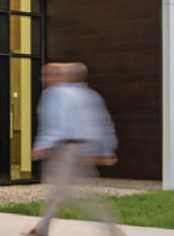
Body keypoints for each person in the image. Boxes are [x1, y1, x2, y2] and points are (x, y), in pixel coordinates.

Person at [25, 61, 126, 236]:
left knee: (77, 195)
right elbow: (103, 124)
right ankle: (42, 228)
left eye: (47, 75)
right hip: (83, 149)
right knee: (64, 192)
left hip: (65, 150)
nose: (44, 79)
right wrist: (106, 150)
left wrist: (41, 145)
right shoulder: (90, 95)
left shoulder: (54, 94)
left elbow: (57, 125)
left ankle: (113, 230)